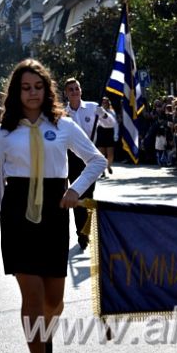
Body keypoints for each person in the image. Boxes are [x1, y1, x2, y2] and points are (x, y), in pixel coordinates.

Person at [0, 59, 106, 353]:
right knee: (32, 298)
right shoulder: (1, 134)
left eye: (37, 87)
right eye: (25, 88)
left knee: (55, 301)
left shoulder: (63, 126)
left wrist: (74, 189)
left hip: (54, 213)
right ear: (16, 92)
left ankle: (44, 337)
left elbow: (97, 160)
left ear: (46, 89)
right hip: (17, 216)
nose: (32, 93)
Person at [63, 78, 100, 250]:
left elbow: (108, 122)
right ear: (66, 93)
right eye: (71, 89)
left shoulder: (93, 108)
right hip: (71, 158)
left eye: (76, 88)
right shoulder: (62, 114)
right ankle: (81, 233)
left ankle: (89, 229)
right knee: (76, 195)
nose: (74, 91)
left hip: (90, 157)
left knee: (89, 197)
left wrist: (106, 114)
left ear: (81, 90)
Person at [95, 96, 119, 179]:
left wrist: (116, 135)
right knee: (101, 154)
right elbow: (95, 123)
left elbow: (115, 124)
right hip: (101, 132)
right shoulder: (98, 111)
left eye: (106, 102)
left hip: (109, 132)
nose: (104, 104)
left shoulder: (111, 112)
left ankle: (108, 166)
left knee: (110, 154)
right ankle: (102, 171)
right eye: (103, 102)